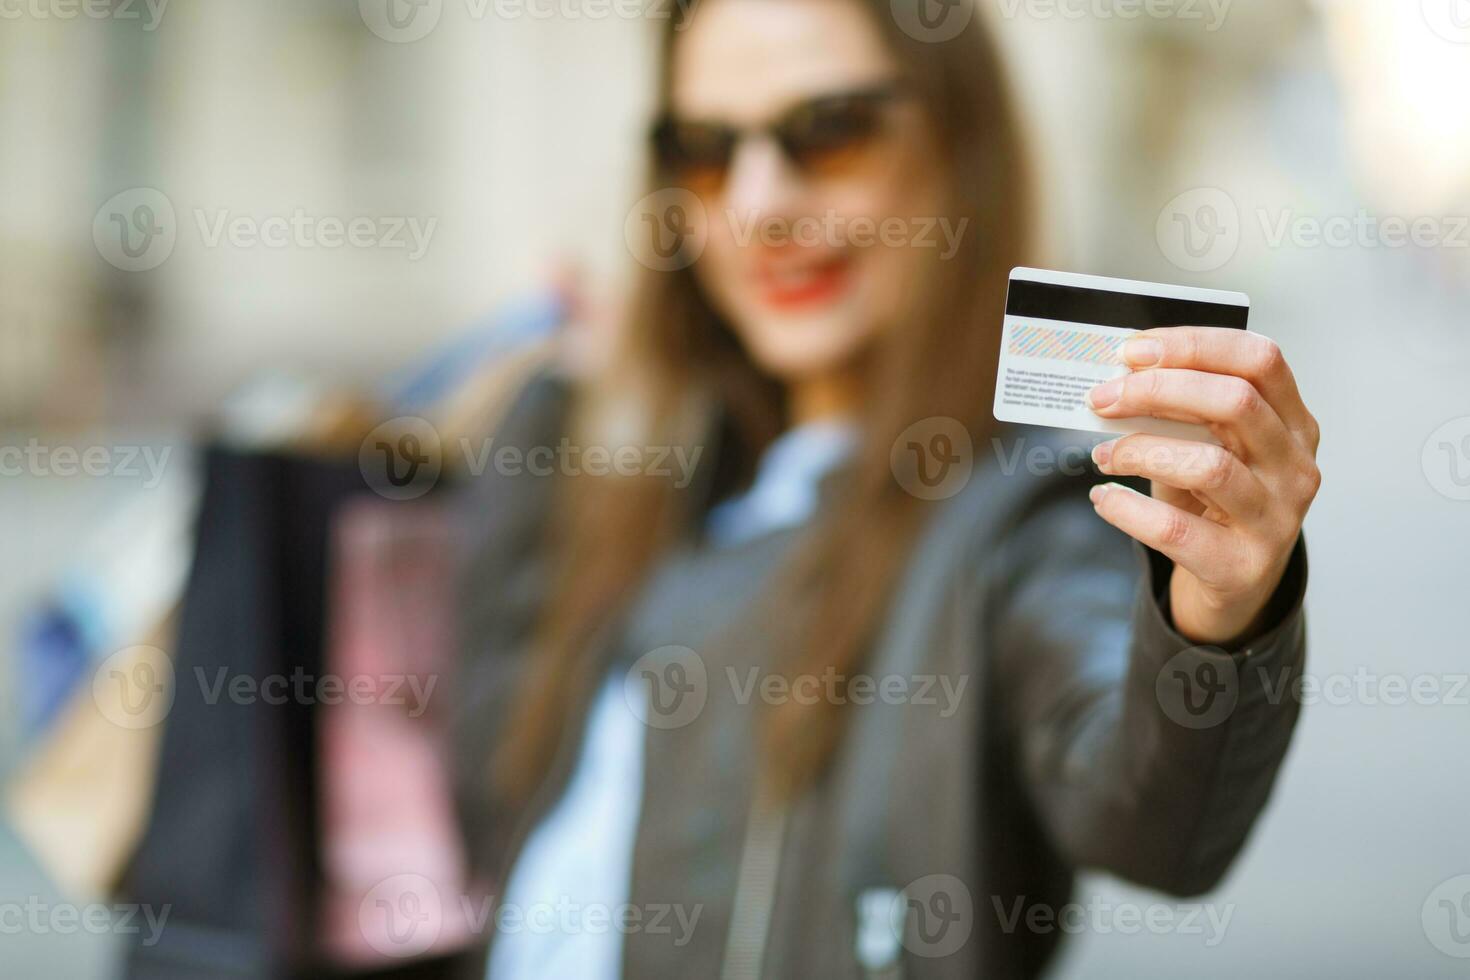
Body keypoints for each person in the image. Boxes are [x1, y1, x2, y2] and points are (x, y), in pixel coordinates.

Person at [450, 0, 1320, 976]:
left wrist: (1216, 617)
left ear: (957, 145)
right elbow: (483, 783)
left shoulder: (1017, 515)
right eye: (701, 149)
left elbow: (1155, 818)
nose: (758, 203)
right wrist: (553, 404)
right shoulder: (649, 472)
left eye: (829, 130)